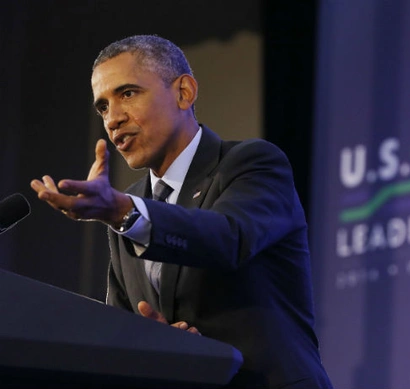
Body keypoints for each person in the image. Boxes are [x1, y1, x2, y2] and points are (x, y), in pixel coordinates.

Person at [30, 35, 332, 389]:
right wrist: (149, 341)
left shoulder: (252, 164)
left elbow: (228, 238)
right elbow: (123, 325)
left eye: (127, 93)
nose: (112, 119)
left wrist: (123, 212)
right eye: (102, 107)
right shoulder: (128, 205)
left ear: (184, 92)